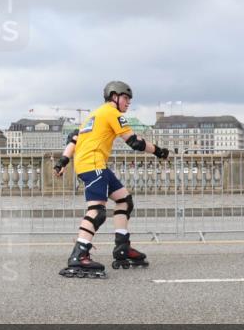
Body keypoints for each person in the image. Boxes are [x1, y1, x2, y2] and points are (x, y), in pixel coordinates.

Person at [53, 81, 169, 278]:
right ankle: (79, 255)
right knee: (97, 211)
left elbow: (74, 138)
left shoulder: (93, 114)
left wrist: (62, 161)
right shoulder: (112, 113)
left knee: (125, 200)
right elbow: (134, 142)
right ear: (114, 96)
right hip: (93, 164)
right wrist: (159, 151)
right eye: (125, 98)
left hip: (94, 164)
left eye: (129, 100)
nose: (127, 103)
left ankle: (122, 247)